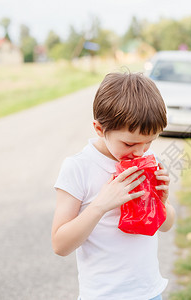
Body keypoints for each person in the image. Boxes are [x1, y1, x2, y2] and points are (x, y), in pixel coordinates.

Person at [51, 72, 176, 300]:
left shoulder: (150, 161)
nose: (140, 152)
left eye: (149, 142)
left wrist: (162, 201)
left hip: (150, 293)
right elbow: (60, 245)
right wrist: (100, 205)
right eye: (130, 143)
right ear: (99, 129)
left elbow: (166, 225)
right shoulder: (78, 168)